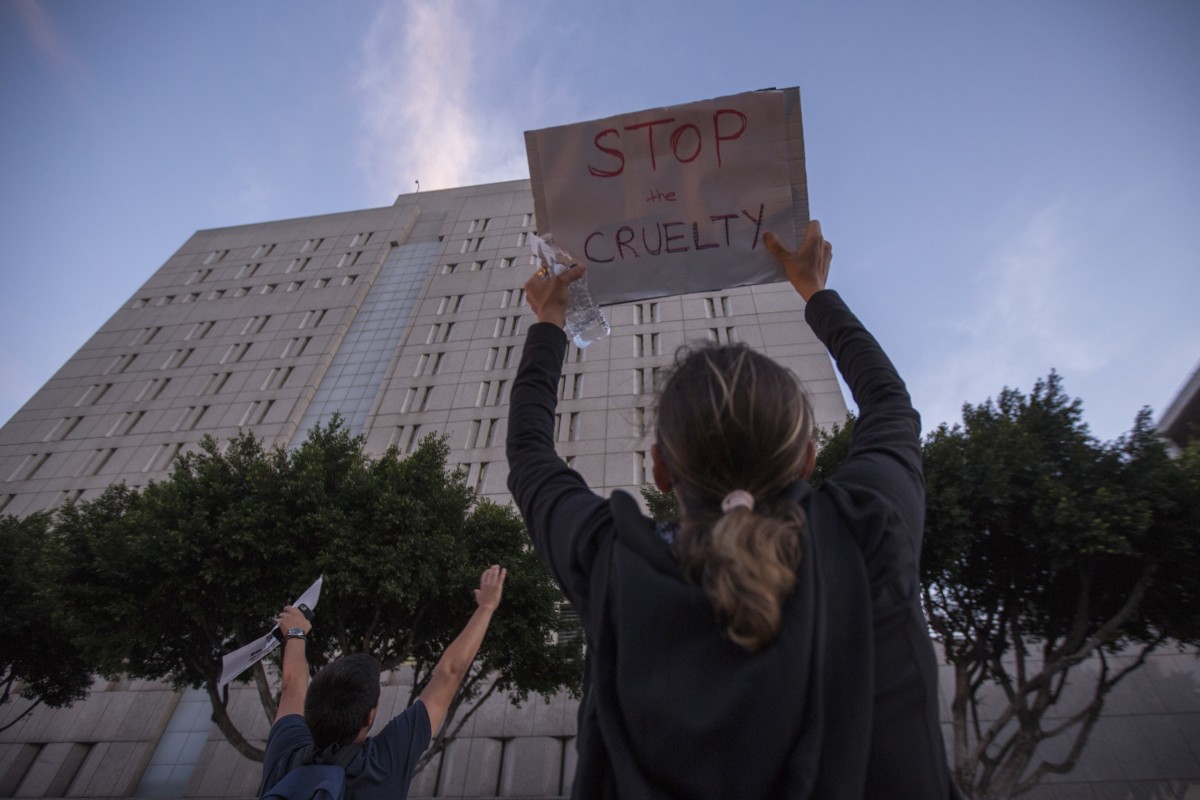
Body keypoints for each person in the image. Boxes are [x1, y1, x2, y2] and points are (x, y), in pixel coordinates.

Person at [506, 221, 960, 798]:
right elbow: (890, 404)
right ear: (807, 461)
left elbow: (527, 451)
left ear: (661, 469)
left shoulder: (612, 562)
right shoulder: (866, 533)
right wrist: (813, 289)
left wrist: (550, 320)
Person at [258, 564, 507, 800]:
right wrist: (486, 606)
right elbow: (450, 672)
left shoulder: (286, 752)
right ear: (369, 717)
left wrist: (295, 632)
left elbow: (292, 682)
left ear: (309, 708)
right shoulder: (382, 764)